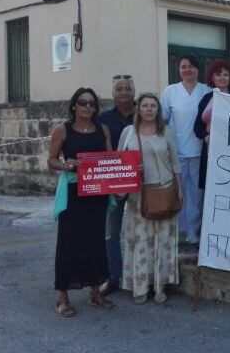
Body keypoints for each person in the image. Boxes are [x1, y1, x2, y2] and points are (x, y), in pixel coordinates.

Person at [48, 88, 115, 317]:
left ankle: (96, 293)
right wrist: (65, 165)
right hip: (73, 194)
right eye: (82, 102)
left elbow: (111, 160)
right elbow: (51, 160)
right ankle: (62, 297)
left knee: (95, 243)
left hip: (97, 195)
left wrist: (130, 170)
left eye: (91, 103)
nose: (87, 106)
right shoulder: (62, 130)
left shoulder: (102, 130)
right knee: (69, 244)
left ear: (95, 108)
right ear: (74, 105)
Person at [118, 93, 183, 305]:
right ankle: (140, 285)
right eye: (144, 105)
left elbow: (175, 164)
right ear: (138, 109)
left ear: (158, 109)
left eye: (152, 106)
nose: (148, 109)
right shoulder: (128, 133)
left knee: (162, 242)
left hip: (164, 192)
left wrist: (180, 191)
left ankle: (160, 285)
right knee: (140, 242)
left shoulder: (167, 133)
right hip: (138, 196)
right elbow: (119, 162)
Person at [160, 54, 210, 245]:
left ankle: (194, 232)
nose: (187, 69)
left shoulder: (207, 91)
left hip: (199, 150)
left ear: (198, 69)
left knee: (196, 195)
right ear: (178, 70)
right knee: (178, 192)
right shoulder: (170, 91)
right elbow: (163, 120)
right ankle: (179, 232)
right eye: (183, 66)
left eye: (191, 66)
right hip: (176, 151)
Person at [97, 75, 136, 297]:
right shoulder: (103, 118)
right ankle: (113, 277)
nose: (123, 92)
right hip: (114, 181)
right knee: (111, 232)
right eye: (119, 89)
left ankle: (140, 276)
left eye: (127, 89)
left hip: (142, 180)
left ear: (133, 91)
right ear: (112, 94)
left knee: (140, 231)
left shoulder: (145, 112)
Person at [193, 60, 230, 189]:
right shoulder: (206, 99)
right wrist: (205, 136)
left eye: (226, 74)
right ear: (212, 77)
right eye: (218, 74)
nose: (222, 78)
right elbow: (197, 126)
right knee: (213, 185)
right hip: (212, 149)